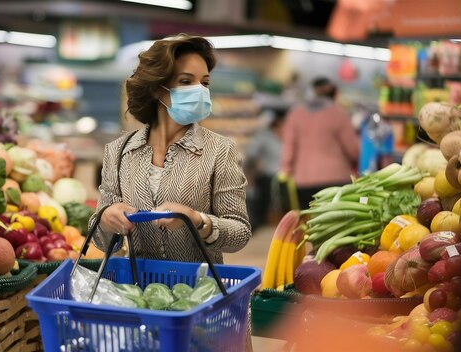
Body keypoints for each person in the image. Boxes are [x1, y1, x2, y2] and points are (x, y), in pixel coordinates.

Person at [90, 34, 251, 265]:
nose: (200, 90)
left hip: (198, 291)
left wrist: (197, 220)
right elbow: (100, 241)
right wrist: (105, 220)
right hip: (137, 291)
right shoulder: (118, 152)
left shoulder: (220, 150)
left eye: (204, 83)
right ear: (157, 88)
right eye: (186, 81)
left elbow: (240, 233)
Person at [280, 77, 360, 210]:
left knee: (308, 223)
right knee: (335, 226)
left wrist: (286, 171)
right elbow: (353, 150)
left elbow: (288, 150)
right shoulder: (339, 114)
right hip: (336, 179)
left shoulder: (295, 115)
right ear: (334, 93)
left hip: (303, 181)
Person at [244, 108, 286, 231]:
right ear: (276, 125)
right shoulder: (264, 137)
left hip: (286, 178)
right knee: (263, 203)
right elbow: (251, 154)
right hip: (268, 177)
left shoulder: (289, 138)